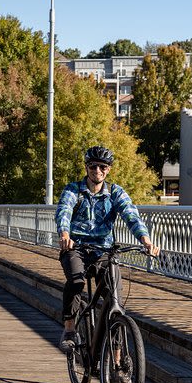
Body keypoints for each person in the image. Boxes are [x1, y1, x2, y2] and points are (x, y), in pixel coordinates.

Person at [55, 146, 160, 353]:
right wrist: (65, 235)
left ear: (108, 169)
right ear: (86, 167)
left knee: (116, 300)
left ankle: (119, 359)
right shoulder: (73, 190)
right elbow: (64, 211)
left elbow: (132, 216)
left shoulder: (115, 193)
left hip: (103, 251)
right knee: (76, 280)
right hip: (76, 247)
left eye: (103, 167)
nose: (98, 171)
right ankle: (69, 329)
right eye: (93, 166)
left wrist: (146, 240)